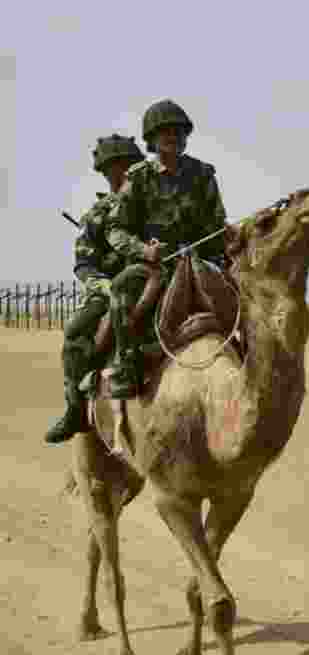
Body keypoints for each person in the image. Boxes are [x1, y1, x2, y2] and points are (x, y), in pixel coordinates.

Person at [103, 98, 227, 399]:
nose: (174, 137)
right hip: (153, 264)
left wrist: (228, 239)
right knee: (123, 292)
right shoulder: (139, 178)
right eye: (166, 131)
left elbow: (218, 225)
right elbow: (115, 229)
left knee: (247, 297)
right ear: (153, 139)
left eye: (179, 131)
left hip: (199, 261)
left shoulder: (203, 174)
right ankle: (127, 363)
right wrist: (143, 250)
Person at [43, 134, 147, 443]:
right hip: (110, 290)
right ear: (106, 172)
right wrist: (106, 286)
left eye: (131, 163)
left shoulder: (150, 204)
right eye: (119, 165)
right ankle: (75, 410)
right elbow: (84, 265)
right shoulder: (95, 216)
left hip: (155, 276)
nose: (127, 170)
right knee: (75, 333)